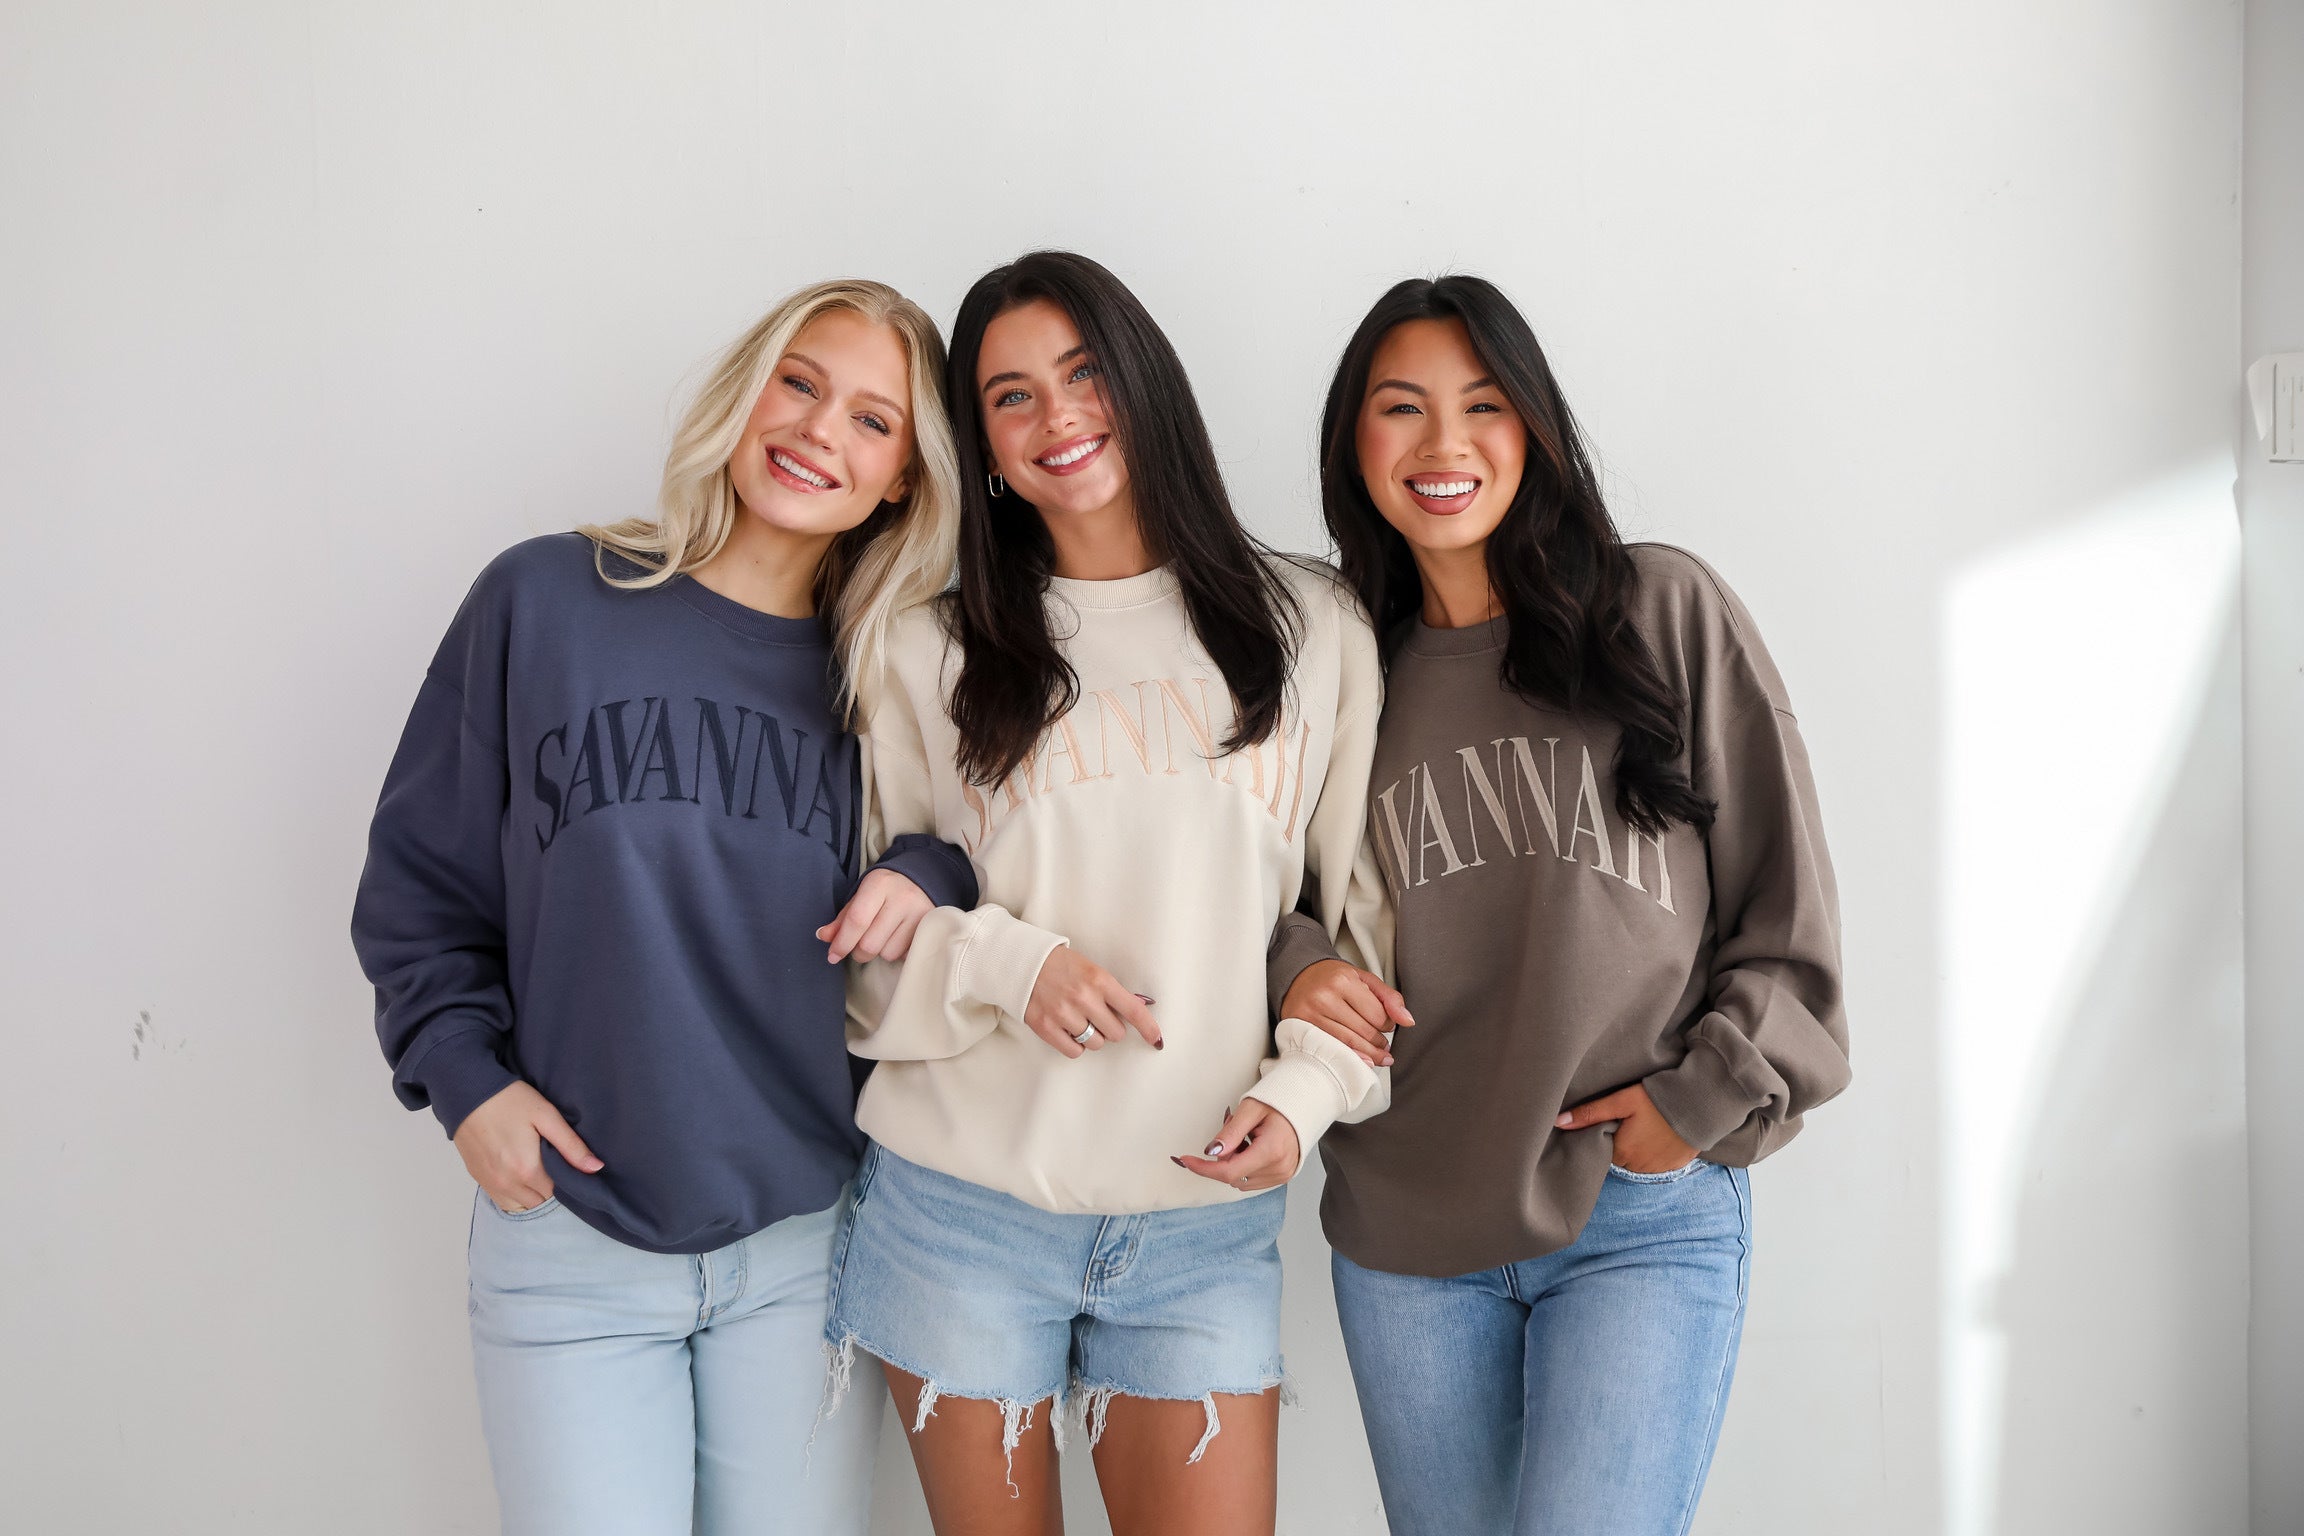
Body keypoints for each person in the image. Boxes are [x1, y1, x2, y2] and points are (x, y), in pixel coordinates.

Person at [349, 279, 973, 1536]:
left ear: (904, 479)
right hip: (568, 1239)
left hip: (802, 1243)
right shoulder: (546, 602)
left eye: (872, 420)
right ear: (746, 394)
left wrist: (930, 874)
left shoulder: (894, 673)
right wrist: (463, 1080)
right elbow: (420, 883)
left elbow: (971, 845)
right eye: (799, 384)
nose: (817, 431)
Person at [816, 251, 1384, 1536]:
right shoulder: (923, 647)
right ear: (987, 452)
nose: (1058, 417)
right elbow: (865, 952)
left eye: (1083, 375)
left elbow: (1357, 935)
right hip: (962, 1214)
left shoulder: (1315, 628)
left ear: (1146, 383)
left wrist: (1306, 1096)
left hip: (1203, 1224)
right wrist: (1012, 966)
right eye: (1012, 398)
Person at [1276, 274, 1851, 1536]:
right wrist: (1297, 968)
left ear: (1534, 428)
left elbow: (1787, 908)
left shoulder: (1660, 610)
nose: (1444, 445)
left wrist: (1696, 1106)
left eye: (1484, 406)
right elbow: (1260, 893)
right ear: (1352, 440)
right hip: (1409, 1231)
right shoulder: (1332, 661)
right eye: (1402, 408)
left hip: (1638, 1212)